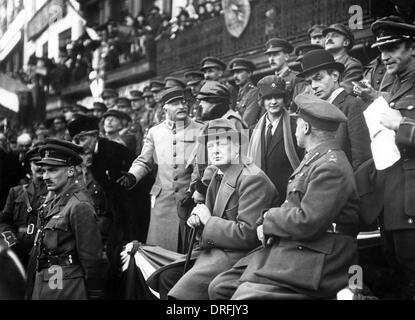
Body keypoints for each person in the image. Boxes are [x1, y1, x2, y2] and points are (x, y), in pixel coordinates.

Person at [209, 94, 360, 300]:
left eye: (297, 123)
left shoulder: (330, 166)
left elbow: (308, 221)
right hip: (299, 244)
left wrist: (269, 219)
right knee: (220, 286)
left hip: (322, 252)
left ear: (306, 128)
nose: (294, 128)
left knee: (242, 296)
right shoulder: (315, 159)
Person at [167, 119, 278, 300]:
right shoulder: (222, 174)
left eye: (221, 144)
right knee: (165, 276)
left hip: (242, 256)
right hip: (217, 250)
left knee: (181, 292)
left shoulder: (252, 178)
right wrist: (198, 220)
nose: (215, 150)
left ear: (237, 148)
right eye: (210, 146)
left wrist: (208, 221)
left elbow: (248, 235)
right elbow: (209, 218)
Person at [357, 16, 415, 299]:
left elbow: (401, 121)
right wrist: (374, 97)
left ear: (412, 47)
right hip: (392, 202)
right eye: (381, 50)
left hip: (411, 203)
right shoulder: (392, 85)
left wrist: (401, 125)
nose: (384, 56)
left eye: (392, 48)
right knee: (396, 270)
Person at [67, 115, 152, 297]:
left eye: (83, 139)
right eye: (76, 140)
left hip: (132, 211)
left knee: (124, 257)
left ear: (95, 135)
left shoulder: (113, 151)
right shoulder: (91, 156)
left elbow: (132, 189)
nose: (80, 144)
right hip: (114, 212)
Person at [117, 87, 204, 252]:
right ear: (165, 109)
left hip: (188, 199)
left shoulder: (200, 129)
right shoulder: (155, 132)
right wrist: (132, 176)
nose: (182, 106)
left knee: (187, 251)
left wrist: (193, 189)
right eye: (176, 103)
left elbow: (201, 166)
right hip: (162, 201)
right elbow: (144, 160)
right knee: (160, 250)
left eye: (184, 102)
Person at [29, 139, 108, 300]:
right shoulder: (52, 201)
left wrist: (94, 292)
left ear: (71, 171)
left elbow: (91, 258)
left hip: (66, 286)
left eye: (52, 170)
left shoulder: (79, 205)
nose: (45, 176)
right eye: (44, 171)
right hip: (44, 282)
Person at [299, 49, 371, 171]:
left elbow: (363, 159)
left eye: (318, 78)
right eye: (309, 82)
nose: (313, 86)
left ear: (335, 76)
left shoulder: (353, 105)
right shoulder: (315, 111)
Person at [248, 76, 303, 205]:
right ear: (262, 101)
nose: (273, 102)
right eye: (268, 98)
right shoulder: (252, 132)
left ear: (284, 99)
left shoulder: (296, 126)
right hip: (260, 198)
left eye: (277, 97)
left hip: (288, 198)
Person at [0, 144, 48, 267]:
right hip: (18, 250)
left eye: (43, 163)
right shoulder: (16, 192)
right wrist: (12, 242)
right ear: (30, 166)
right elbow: (4, 222)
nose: (40, 167)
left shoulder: (55, 194)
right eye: (36, 162)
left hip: (44, 253)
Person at [323, 23, 363, 93]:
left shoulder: (352, 65)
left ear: (346, 42)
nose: (329, 39)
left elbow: (343, 92)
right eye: (327, 37)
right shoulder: (323, 65)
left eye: (335, 36)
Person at [229, 58, 262, 129]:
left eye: (239, 72)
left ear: (249, 74)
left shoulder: (254, 92)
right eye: (234, 73)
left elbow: (246, 123)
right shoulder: (240, 95)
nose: (235, 76)